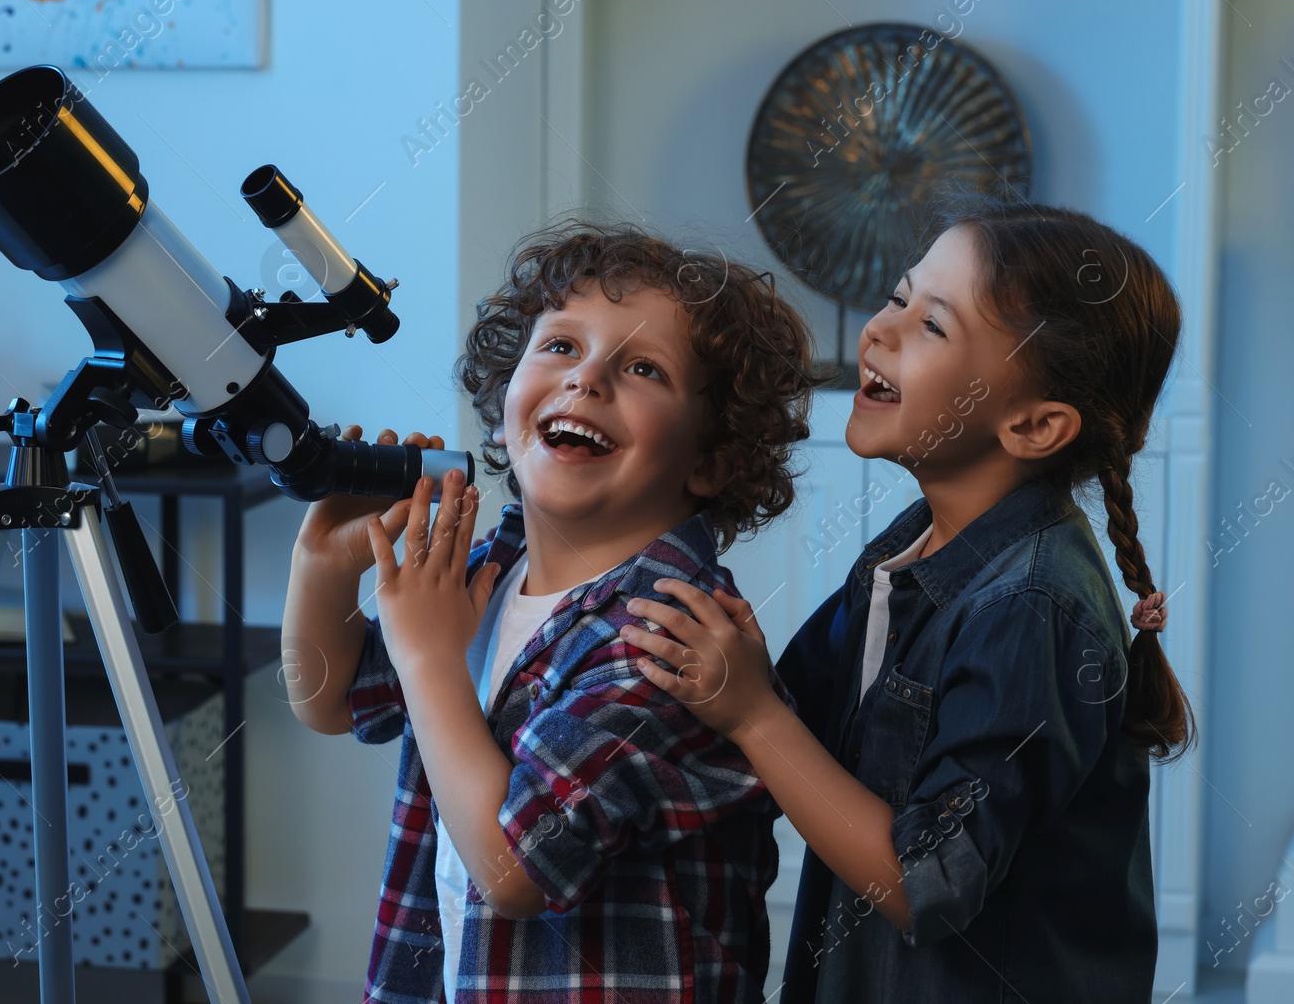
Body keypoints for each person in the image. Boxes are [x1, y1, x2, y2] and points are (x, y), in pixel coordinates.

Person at [622, 194, 1192, 1003]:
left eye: (933, 326)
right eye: (897, 297)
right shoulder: (907, 547)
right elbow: (786, 720)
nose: (879, 331)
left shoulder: (1034, 607)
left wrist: (751, 712)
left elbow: (929, 880)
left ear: (1033, 425)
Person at [280, 218, 827, 1003]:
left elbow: (515, 868)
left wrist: (432, 658)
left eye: (643, 367)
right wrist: (322, 567)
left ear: (712, 458)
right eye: (561, 346)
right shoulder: (484, 574)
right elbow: (330, 699)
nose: (587, 379)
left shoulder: (670, 635)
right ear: (506, 393)